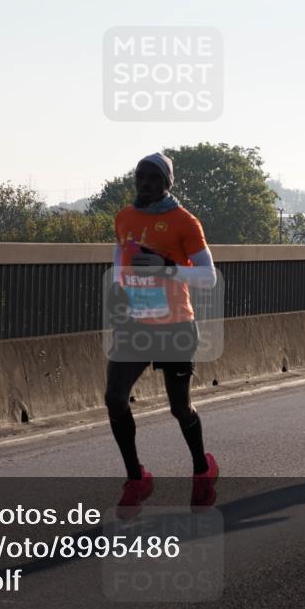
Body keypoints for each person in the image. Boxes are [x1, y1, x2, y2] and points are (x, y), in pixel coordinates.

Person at [106, 152, 219, 517]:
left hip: (175, 325)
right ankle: (136, 477)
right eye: (140, 177)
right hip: (136, 324)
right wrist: (121, 290)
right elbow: (119, 262)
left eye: (153, 178)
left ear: (166, 184)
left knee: (178, 407)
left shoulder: (185, 222)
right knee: (114, 398)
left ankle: (203, 470)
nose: (145, 184)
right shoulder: (124, 217)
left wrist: (168, 268)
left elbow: (208, 277)